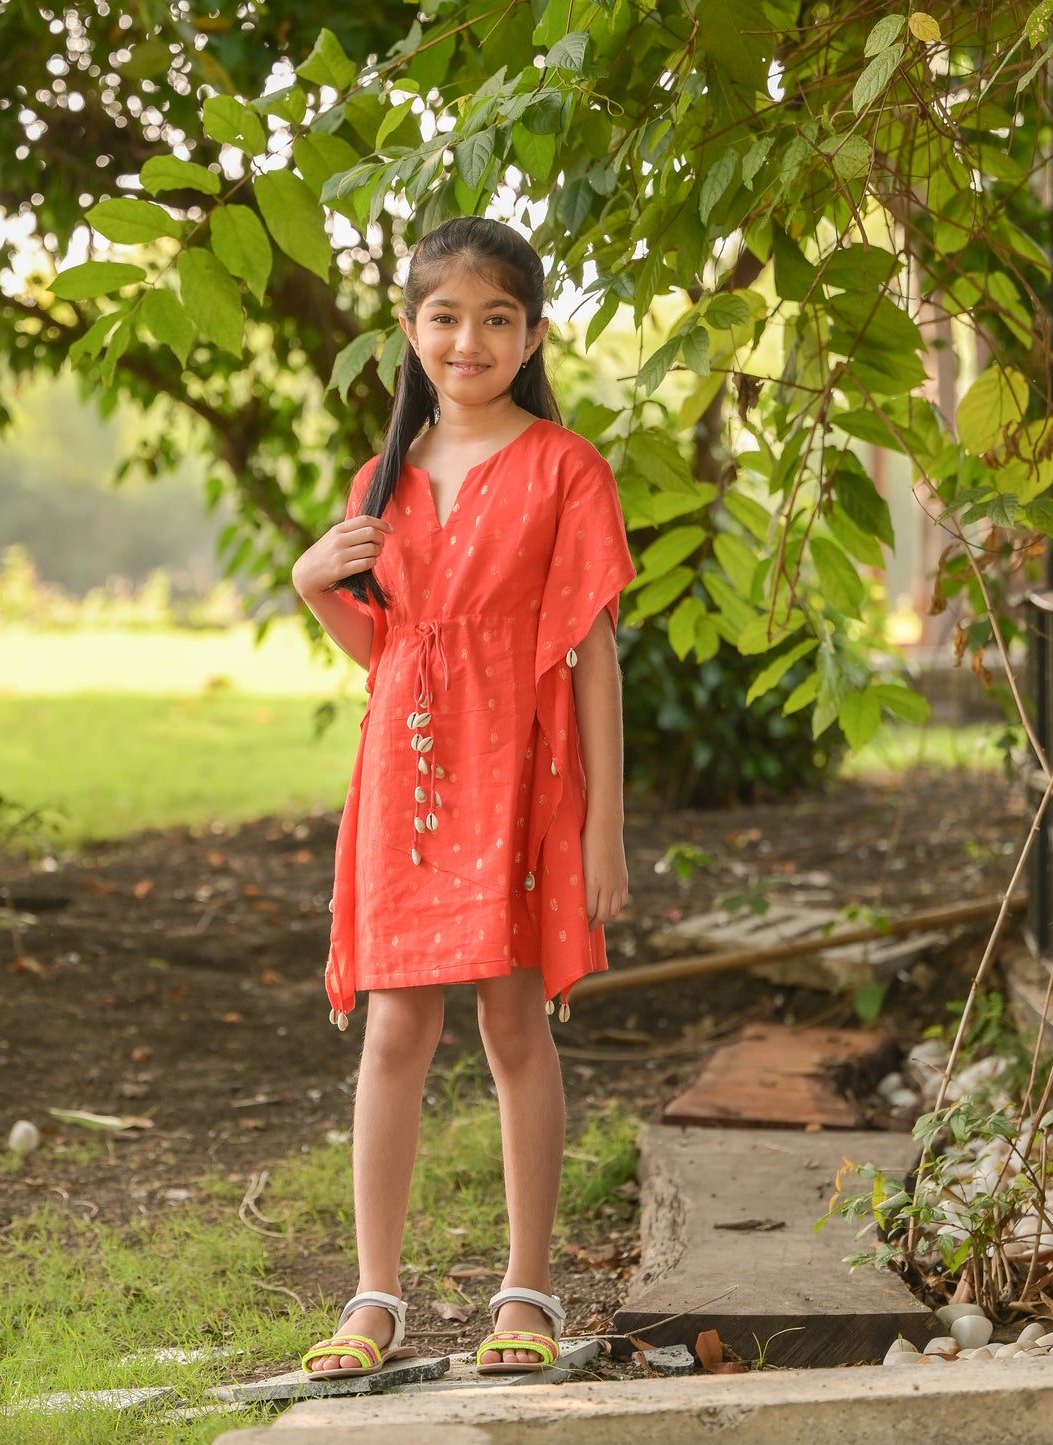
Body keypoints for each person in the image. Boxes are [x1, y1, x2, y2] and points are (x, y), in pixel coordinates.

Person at [291, 216, 635, 1380]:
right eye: (445, 315)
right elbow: (388, 654)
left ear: (532, 333)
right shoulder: (380, 478)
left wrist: (603, 826)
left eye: (497, 318)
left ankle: (525, 1292)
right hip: (409, 779)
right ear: (409, 329)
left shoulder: (563, 466)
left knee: (509, 1021)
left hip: (523, 779)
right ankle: (372, 1294)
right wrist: (310, 586)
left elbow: (591, 655)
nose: (469, 338)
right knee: (395, 1024)